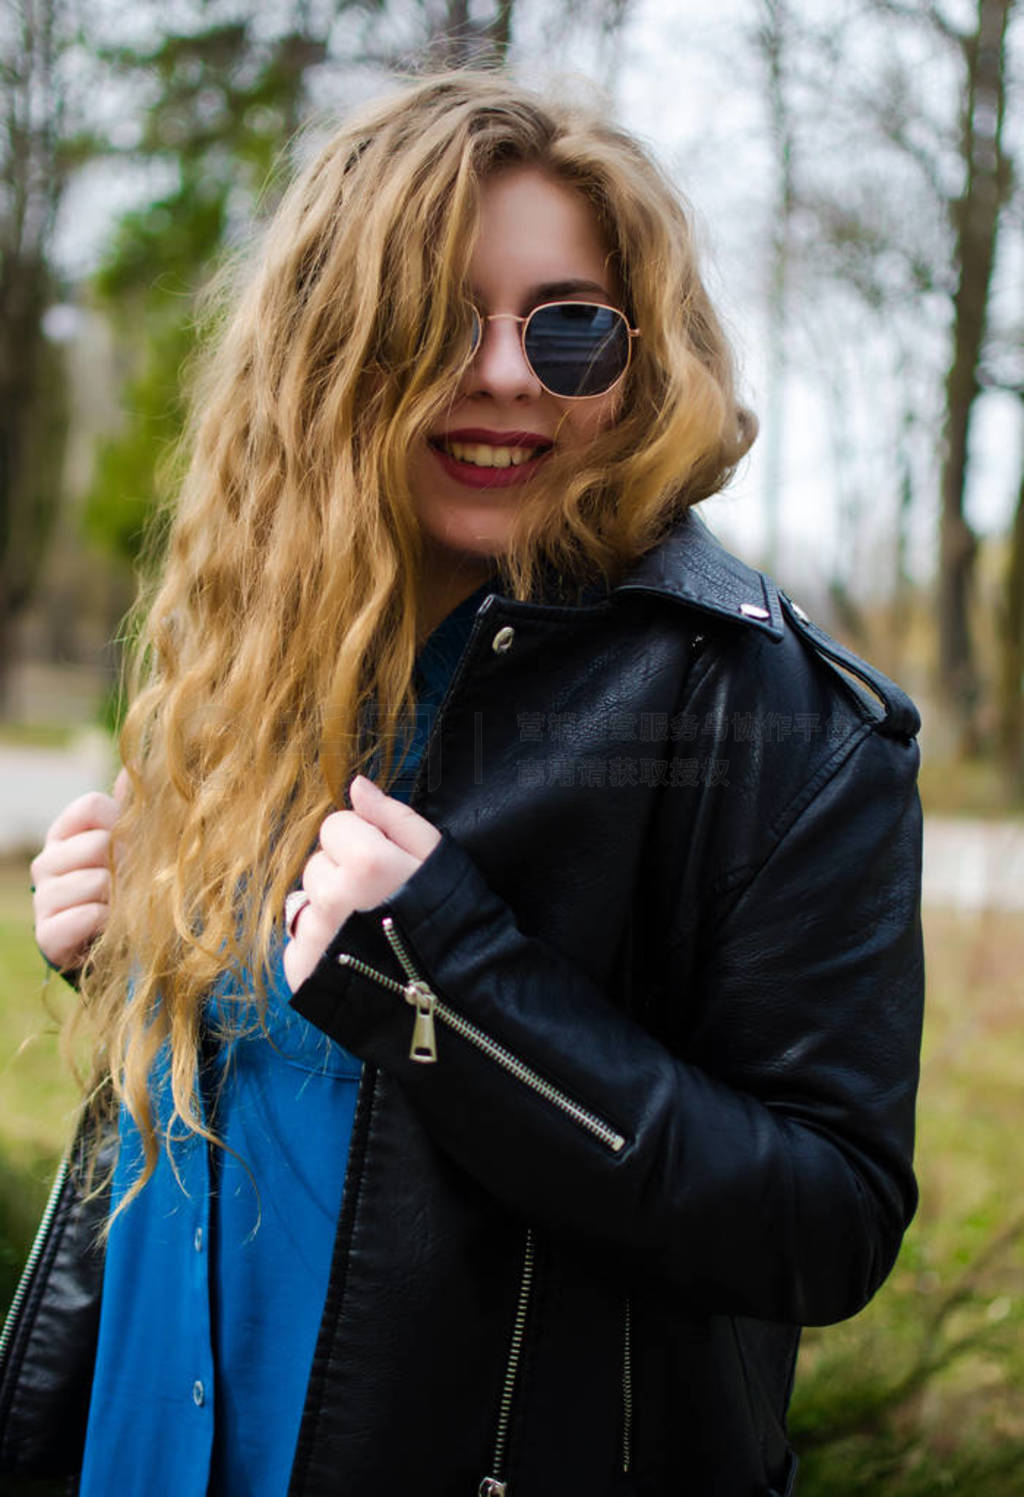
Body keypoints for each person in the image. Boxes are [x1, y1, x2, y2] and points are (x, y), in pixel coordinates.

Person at [0, 71, 924, 1497]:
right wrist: (139, 960)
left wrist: (457, 987)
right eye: (435, 322)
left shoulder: (773, 718)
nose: (503, 374)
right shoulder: (250, 641)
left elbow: (825, 1220)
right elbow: (282, 1095)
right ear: (328, 345)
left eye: (568, 327)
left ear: (639, 355)